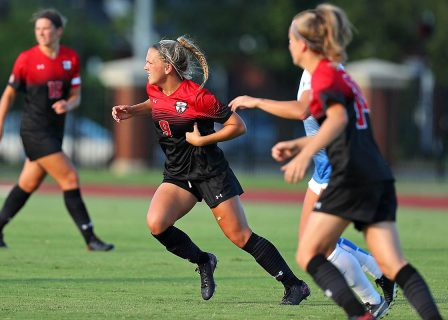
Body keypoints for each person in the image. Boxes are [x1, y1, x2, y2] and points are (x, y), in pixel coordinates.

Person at [112, 35, 310, 304]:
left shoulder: (198, 96)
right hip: (178, 173)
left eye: (150, 62)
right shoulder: (154, 89)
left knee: (240, 236)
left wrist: (203, 140)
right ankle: (204, 261)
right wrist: (133, 110)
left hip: (210, 173)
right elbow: (157, 105)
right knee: (157, 224)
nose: (145, 67)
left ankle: (294, 285)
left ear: (168, 67)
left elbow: (238, 126)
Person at [279, 4, 442, 319]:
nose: (288, 45)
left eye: (289, 39)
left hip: (350, 175)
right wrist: (301, 143)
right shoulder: (336, 73)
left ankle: (363, 313)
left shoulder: (324, 75)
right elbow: (341, 124)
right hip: (375, 172)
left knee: (309, 253)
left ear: (303, 43)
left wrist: (302, 154)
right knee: (395, 264)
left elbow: (336, 119)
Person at [230, 67, 395, 318]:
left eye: (294, 37)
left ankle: (372, 302)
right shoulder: (320, 69)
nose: (291, 43)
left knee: (319, 248)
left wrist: (255, 101)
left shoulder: (322, 71)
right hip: (324, 168)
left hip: (338, 168)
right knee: (312, 240)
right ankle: (381, 272)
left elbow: (302, 110)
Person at [0, 8, 114, 252]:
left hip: (55, 131)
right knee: (70, 177)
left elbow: (76, 95)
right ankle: (91, 238)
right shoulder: (26, 59)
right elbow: (9, 94)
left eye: (46, 28)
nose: (41, 33)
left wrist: (68, 103)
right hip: (34, 130)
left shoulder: (70, 58)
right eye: (38, 29)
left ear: (59, 31)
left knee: (28, 184)